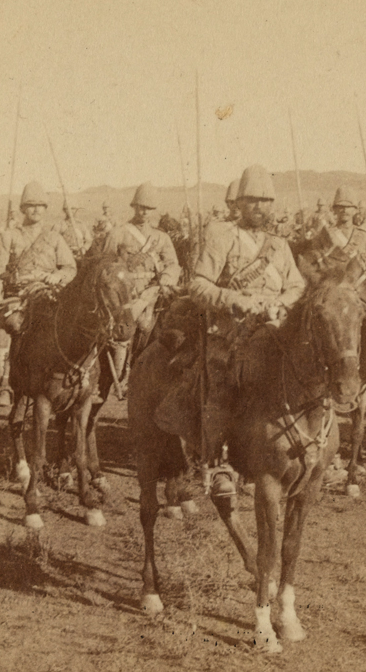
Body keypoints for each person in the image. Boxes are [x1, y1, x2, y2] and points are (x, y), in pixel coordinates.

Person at [189, 165, 306, 496]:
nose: (260, 208)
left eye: (266, 201)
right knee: (225, 387)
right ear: (238, 204)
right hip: (230, 330)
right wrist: (233, 299)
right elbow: (198, 285)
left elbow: (297, 285)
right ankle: (217, 461)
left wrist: (281, 303)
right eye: (253, 201)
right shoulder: (221, 237)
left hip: (273, 329)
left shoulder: (279, 246)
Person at [0, 181, 77, 406]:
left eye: (40, 206)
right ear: (22, 209)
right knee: (8, 326)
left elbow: (70, 268)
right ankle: (3, 385)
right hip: (17, 295)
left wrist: (58, 277)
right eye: (31, 205)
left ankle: (73, 379)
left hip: (48, 294)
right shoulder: (9, 236)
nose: (36, 210)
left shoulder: (55, 238)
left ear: (46, 209)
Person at [103, 182, 181, 380]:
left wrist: (165, 281)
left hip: (153, 293)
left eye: (149, 209)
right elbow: (106, 265)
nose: (144, 212)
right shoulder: (118, 233)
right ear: (134, 206)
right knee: (121, 333)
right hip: (124, 293)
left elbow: (172, 264)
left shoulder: (161, 238)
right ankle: (117, 376)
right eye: (141, 207)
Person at [310, 187, 366, 286]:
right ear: (334, 209)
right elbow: (313, 265)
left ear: (355, 210)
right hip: (333, 288)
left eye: (349, 207)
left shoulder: (365, 237)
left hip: (361, 287)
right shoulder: (323, 237)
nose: (344, 210)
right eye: (340, 206)